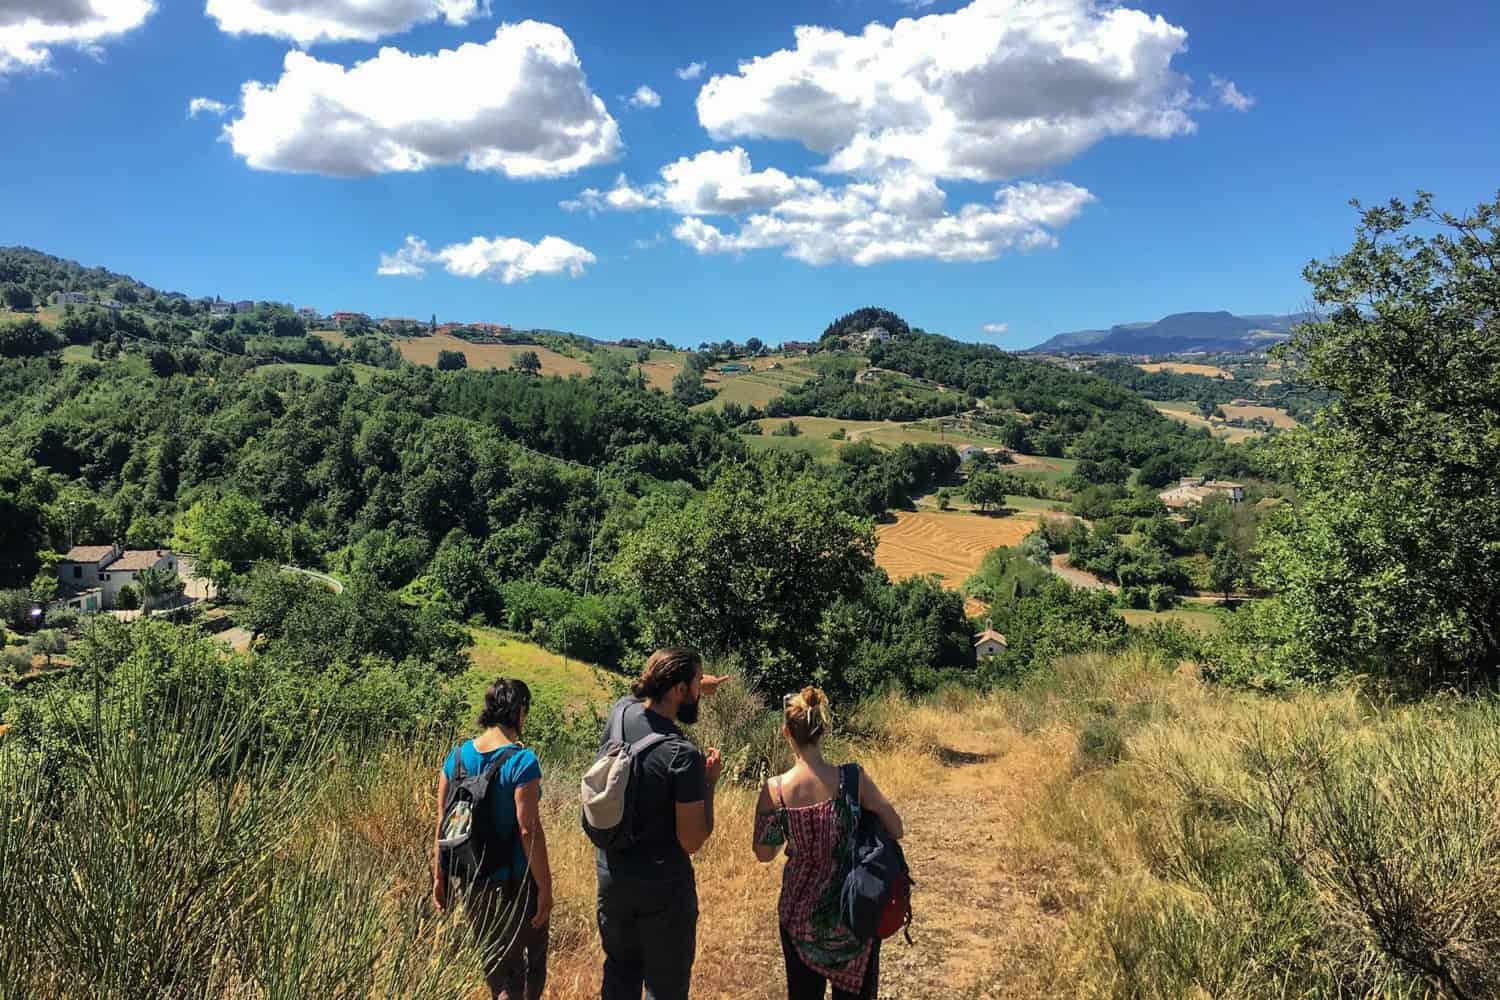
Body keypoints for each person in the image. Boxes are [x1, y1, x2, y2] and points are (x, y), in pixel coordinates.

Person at [753, 687, 904, 1000]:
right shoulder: (853, 779)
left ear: (786, 732)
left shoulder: (774, 791)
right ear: (824, 730)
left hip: (799, 916)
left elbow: (764, 853)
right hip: (853, 912)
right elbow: (896, 827)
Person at [595, 648, 727, 1000]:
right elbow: (692, 840)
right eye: (696, 683)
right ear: (680, 690)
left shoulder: (620, 712)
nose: (700, 690)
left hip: (613, 874)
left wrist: (701, 682)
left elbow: (641, 695)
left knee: (620, 973)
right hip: (662, 889)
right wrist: (709, 782)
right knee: (664, 986)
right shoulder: (682, 755)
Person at [433, 678, 553, 1000]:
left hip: (472, 883)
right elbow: (528, 829)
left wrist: (440, 876)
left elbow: (443, 823)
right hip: (515, 885)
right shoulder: (522, 761)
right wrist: (545, 887)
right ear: (520, 711)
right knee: (529, 970)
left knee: (498, 970)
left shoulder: (456, 758)